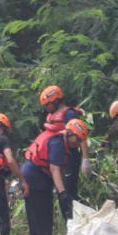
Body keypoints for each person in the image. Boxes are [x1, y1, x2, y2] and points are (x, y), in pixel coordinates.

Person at [20, 119, 89, 235]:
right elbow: (54, 169)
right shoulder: (58, 143)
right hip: (35, 178)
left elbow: (59, 170)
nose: (78, 143)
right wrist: (62, 193)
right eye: (77, 139)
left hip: (32, 175)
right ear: (69, 133)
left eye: (80, 141)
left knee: (38, 216)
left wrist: (61, 189)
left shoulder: (59, 140)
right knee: (42, 218)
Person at [38, 85, 87, 216]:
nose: (46, 107)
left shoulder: (69, 114)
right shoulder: (50, 116)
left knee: (69, 191)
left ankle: (75, 218)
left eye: (48, 104)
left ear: (56, 100)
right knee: (61, 191)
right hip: (57, 158)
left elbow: (80, 135)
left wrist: (85, 159)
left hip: (70, 156)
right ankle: (69, 221)